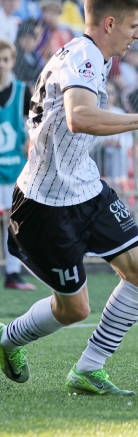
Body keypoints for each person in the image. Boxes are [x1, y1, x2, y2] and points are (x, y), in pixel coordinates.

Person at [0, 0, 138, 395]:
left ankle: (88, 368)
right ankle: (6, 340)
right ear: (110, 23)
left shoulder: (91, 57)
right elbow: (80, 116)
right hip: (45, 205)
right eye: (134, 25)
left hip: (85, 189)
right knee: (73, 309)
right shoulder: (83, 56)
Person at [0, 39, 34, 290]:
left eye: (5, 59)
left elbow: (35, 123)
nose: (1, 65)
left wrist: (30, 140)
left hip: (15, 169)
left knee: (14, 221)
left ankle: (13, 273)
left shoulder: (23, 91)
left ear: (12, 61)